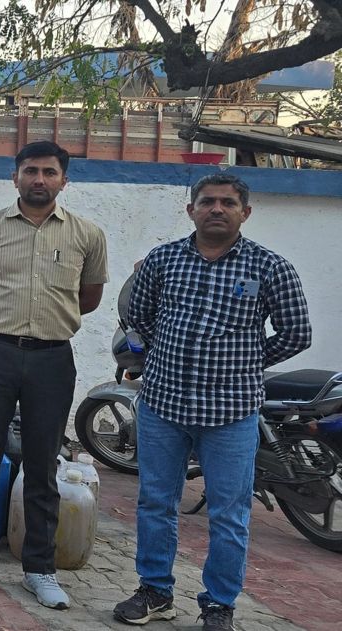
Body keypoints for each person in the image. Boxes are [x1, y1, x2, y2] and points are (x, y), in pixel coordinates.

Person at [114, 174, 311, 631]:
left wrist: (246, 359)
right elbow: (138, 315)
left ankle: (220, 605)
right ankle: (155, 591)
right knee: (155, 503)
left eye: (227, 202)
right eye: (207, 202)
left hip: (231, 412)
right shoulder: (163, 259)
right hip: (164, 405)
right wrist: (168, 350)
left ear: (245, 212)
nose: (216, 209)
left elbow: (296, 333)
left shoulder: (269, 267)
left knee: (229, 514)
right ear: (191, 210)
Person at [0, 140, 109, 609]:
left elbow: (89, 297)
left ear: (64, 180)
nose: (39, 179)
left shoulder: (87, 234)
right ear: (14, 176)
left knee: (43, 463)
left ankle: (39, 568)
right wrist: (1, 320)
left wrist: (45, 324)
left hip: (52, 358)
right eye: (31, 171)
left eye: (49, 172)